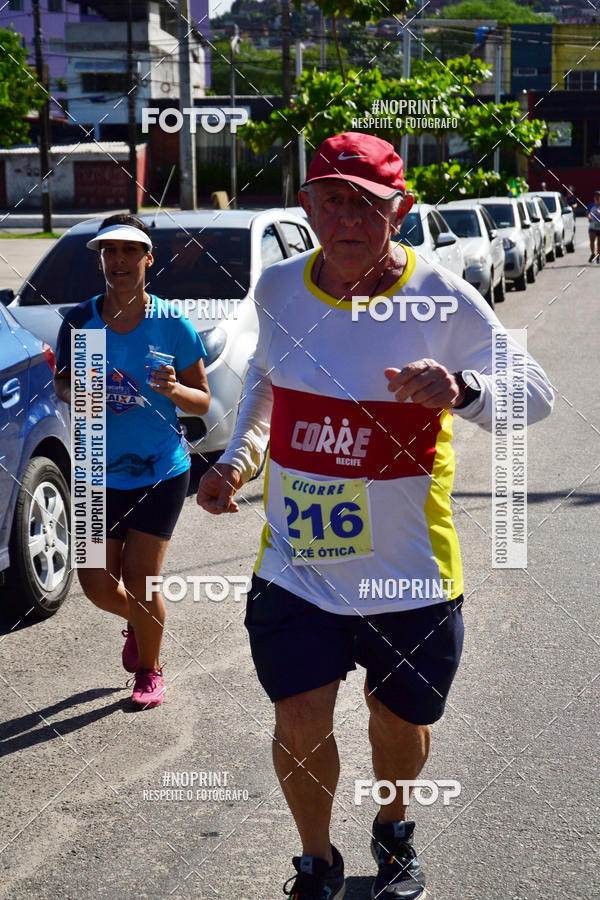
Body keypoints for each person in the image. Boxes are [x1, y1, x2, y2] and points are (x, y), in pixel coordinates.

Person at [197, 132, 554, 899]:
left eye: (369, 204)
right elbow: (268, 382)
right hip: (296, 568)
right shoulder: (279, 288)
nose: (348, 218)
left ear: (402, 211)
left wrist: (462, 389)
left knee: (397, 725)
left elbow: (536, 395)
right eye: (333, 200)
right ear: (307, 205)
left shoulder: (443, 298)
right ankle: (316, 860)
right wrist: (238, 458)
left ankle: (394, 830)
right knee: (298, 720)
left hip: (408, 575)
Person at [54, 214, 209, 708]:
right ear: (101, 259)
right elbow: (61, 383)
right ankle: (140, 624)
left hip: (159, 469)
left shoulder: (172, 323)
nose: (118, 262)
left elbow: (203, 401)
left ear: (148, 258)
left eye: (128, 252)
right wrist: (79, 387)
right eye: (109, 252)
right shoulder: (83, 319)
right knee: (97, 583)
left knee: (143, 577)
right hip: (97, 466)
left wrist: (174, 388)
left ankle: (150, 669)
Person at [587, 190, 600, 262]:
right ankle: (592, 254)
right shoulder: (591, 205)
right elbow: (588, 213)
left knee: (599, 243)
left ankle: (598, 256)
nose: (597, 198)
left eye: (599, 196)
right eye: (596, 196)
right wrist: (589, 217)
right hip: (592, 225)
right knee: (592, 241)